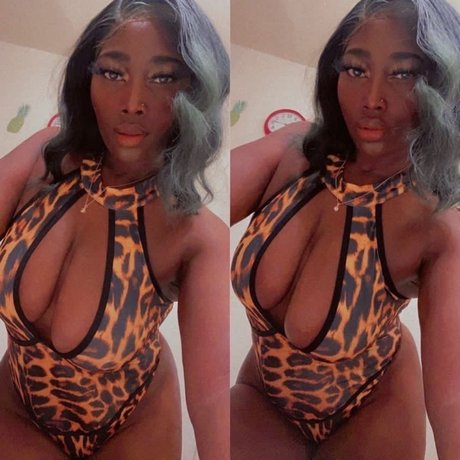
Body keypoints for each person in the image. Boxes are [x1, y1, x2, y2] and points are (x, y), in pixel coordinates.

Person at [231, 0, 460, 458]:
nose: (371, 99)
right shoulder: (293, 149)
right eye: (355, 68)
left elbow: (452, 397)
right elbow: (189, 205)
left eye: (403, 74)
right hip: (265, 395)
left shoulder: (439, 222)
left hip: (375, 402)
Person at [0, 0, 229, 459]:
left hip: (133, 422)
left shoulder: (196, 235)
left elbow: (214, 399)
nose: (132, 103)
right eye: (112, 72)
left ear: (196, 92)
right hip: (19, 407)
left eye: (163, 77)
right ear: (87, 77)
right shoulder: (43, 159)